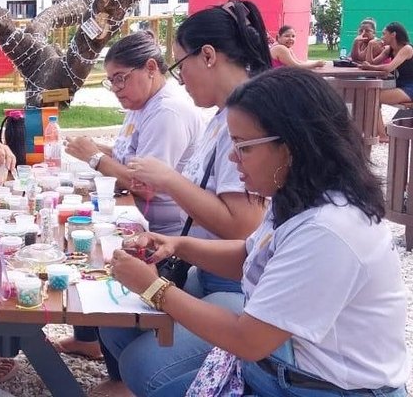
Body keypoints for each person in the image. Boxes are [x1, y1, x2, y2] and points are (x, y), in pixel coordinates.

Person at [109, 67, 409, 396]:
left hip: (322, 388)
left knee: (154, 379)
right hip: (278, 369)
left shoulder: (330, 230)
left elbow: (248, 340)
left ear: (292, 146)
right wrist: (176, 245)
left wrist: (154, 288)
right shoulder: (299, 196)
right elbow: (251, 254)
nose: (232, 156)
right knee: (146, 373)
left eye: (243, 146)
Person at [99, 0, 271, 397]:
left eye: (180, 65)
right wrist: (177, 245)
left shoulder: (242, 121)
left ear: (207, 56)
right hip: (208, 267)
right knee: (116, 316)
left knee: (144, 360)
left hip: (235, 286)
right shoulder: (220, 116)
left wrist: (169, 181)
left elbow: (243, 228)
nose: (181, 78)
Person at [60, 31, 205, 391]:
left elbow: (146, 184)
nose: (117, 88)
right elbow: (129, 156)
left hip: (162, 225)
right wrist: (99, 149)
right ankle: (93, 342)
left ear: (152, 68)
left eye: (121, 78)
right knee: (79, 236)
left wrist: (94, 157)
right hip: (140, 214)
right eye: (111, 82)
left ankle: (122, 380)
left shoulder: (167, 111)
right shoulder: (143, 107)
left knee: (95, 255)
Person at [359, 22, 413, 142]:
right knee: (370, 95)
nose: (382, 36)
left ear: (393, 34)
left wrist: (369, 67)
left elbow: (388, 68)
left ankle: (383, 135)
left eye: (384, 34)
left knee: (371, 97)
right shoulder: (390, 49)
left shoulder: (407, 49)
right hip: (402, 87)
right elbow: (371, 63)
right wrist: (370, 46)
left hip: (410, 88)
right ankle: (379, 131)